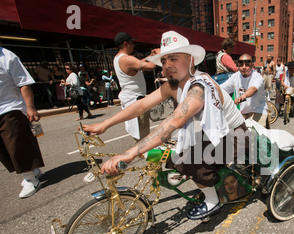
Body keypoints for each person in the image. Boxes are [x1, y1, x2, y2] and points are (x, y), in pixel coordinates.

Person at [82, 31, 248, 220]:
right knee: (172, 154)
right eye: (164, 60)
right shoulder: (173, 85)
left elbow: (174, 121)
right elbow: (141, 105)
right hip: (211, 133)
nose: (167, 65)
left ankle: (212, 201)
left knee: (190, 160)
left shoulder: (200, 86)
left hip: (235, 136)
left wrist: (129, 153)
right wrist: (105, 124)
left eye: (174, 59)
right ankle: (203, 178)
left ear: (190, 60)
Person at [0, 47, 45, 198]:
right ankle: (33, 170)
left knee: (16, 146)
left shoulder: (7, 57)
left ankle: (30, 179)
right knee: (4, 149)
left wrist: (30, 108)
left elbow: (23, 83)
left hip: (10, 108)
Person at [113, 32, 159, 141]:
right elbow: (150, 66)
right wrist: (159, 55)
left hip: (130, 100)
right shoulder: (126, 59)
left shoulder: (118, 58)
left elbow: (139, 63)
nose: (134, 45)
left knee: (139, 136)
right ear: (125, 44)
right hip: (136, 102)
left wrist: (150, 56)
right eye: (132, 42)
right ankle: (142, 154)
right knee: (143, 138)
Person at [221, 54, 269, 128]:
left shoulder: (257, 77)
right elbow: (222, 89)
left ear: (252, 65)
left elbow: (253, 89)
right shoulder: (235, 76)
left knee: (257, 137)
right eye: (241, 64)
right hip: (242, 113)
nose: (243, 67)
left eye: (247, 64)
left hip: (258, 111)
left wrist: (244, 96)